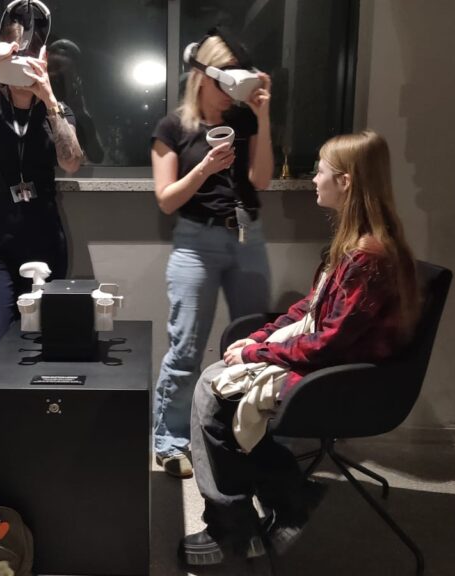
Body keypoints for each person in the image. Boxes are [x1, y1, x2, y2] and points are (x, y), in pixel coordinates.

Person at [180, 130, 420, 567]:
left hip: (344, 380)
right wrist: (260, 338)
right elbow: (309, 310)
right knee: (216, 388)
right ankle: (286, 499)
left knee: (213, 394)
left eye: (320, 171)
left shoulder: (368, 258)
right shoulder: (355, 246)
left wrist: (255, 355)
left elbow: (328, 342)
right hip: (332, 366)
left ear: (345, 182)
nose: (313, 178)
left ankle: (235, 527)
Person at [150, 31, 275, 478]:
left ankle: (247, 437)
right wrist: (204, 168)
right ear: (203, 77)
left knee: (255, 343)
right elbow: (166, 199)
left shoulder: (243, 120)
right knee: (185, 347)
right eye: (225, 82)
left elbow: (261, 181)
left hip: (247, 237)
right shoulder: (172, 128)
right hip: (195, 242)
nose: (230, 93)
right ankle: (170, 442)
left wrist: (262, 115)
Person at [0, 2, 84, 365]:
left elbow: (72, 162)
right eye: (16, 54)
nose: (22, 62)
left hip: (44, 234)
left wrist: (49, 98)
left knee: (45, 342)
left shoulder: (55, 109)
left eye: (30, 54)